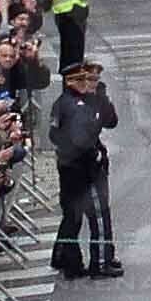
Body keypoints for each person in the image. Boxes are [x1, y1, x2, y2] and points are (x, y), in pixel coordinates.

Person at [51, 60, 121, 278]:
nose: (87, 84)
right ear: (70, 81)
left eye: (91, 79)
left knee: (72, 217)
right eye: (83, 79)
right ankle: (100, 262)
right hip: (84, 169)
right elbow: (79, 138)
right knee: (98, 215)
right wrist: (94, 155)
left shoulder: (74, 102)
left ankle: (66, 259)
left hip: (70, 166)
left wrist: (101, 99)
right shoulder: (75, 106)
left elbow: (110, 122)